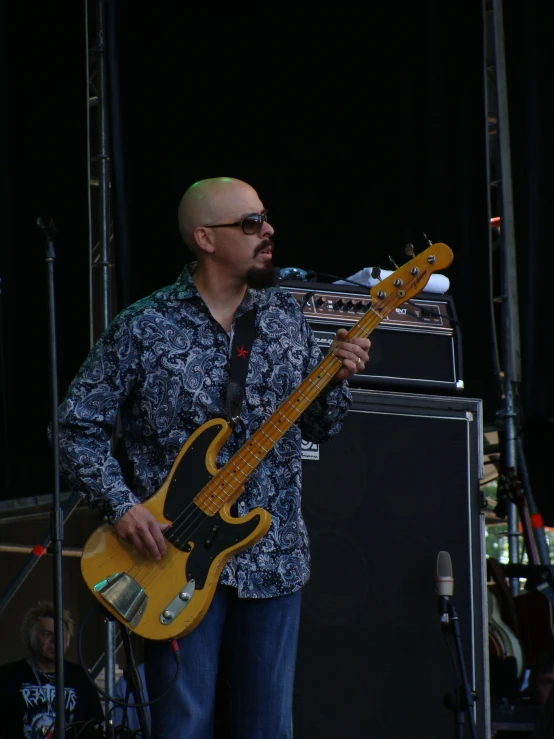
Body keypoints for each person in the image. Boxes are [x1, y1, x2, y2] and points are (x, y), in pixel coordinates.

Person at [56, 176, 371, 738]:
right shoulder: (143, 326)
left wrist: (337, 379)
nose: (268, 230)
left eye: (265, 218)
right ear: (205, 238)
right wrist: (123, 506)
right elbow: (75, 425)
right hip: (167, 557)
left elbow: (325, 425)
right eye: (250, 223)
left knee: (268, 727)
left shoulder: (285, 319)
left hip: (271, 558)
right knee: (182, 724)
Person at [0, 599, 104, 738]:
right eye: (46, 634)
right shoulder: (8, 677)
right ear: (31, 636)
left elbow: (94, 727)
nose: (54, 641)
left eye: (59, 634)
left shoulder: (81, 677)